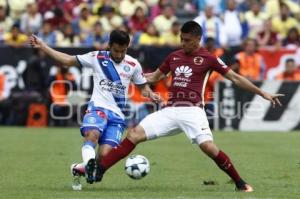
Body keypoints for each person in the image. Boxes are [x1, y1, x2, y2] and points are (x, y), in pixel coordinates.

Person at [92, 21, 284, 192]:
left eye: (186, 40)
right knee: (133, 134)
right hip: (170, 110)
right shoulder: (174, 56)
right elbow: (154, 77)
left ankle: (240, 183)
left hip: (193, 111)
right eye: (181, 39)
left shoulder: (209, 58)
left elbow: (235, 77)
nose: (183, 43)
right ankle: (98, 171)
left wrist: (263, 93)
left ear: (197, 39)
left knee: (208, 147)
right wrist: (127, 75)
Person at [29, 30, 161, 190]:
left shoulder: (133, 64)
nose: (119, 55)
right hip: (98, 108)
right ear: (109, 46)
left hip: (118, 117)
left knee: (105, 156)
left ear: (127, 47)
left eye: (123, 51)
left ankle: (80, 168)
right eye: (116, 50)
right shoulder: (96, 57)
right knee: (92, 134)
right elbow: (68, 60)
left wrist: (152, 94)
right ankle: (88, 165)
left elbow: (143, 87)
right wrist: (43, 46)